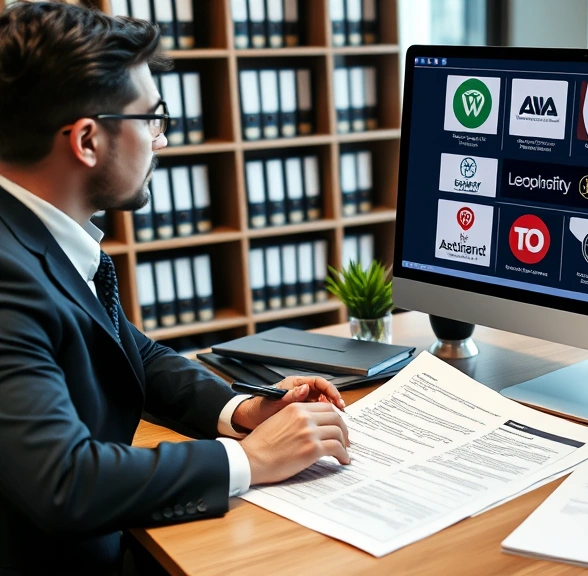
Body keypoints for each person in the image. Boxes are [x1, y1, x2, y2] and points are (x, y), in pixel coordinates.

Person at [0, 3, 351, 573]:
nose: (160, 142)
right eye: (151, 119)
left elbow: (124, 345)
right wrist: (247, 460)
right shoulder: (7, 275)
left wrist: (244, 412)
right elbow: (64, 482)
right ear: (88, 141)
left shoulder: (31, 232)